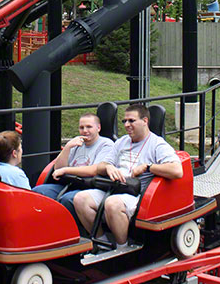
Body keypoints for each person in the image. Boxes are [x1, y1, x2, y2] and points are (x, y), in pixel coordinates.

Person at [74, 104, 183, 248]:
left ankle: (122, 247)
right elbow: (101, 166)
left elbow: (177, 170)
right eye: (124, 121)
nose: (127, 125)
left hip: (137, 194)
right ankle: (103, 242)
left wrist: (148, 167)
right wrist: (109, 167)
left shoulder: (157, 144)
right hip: (114, 187)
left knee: (112, 203)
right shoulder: (122, 142)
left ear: (145, 121)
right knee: (80, 199)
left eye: (131, 121)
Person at [32, 112, 114, 215]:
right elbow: (58, 168)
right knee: (38, 192)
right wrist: (67, 147)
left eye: (89, 127)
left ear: (98, 128)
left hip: (89, 187)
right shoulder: (76, 143)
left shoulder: (106, 144)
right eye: (81, 127)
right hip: (69, 183)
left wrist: (66, 170)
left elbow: (94, 170)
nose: (85, 131)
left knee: (68, 200)